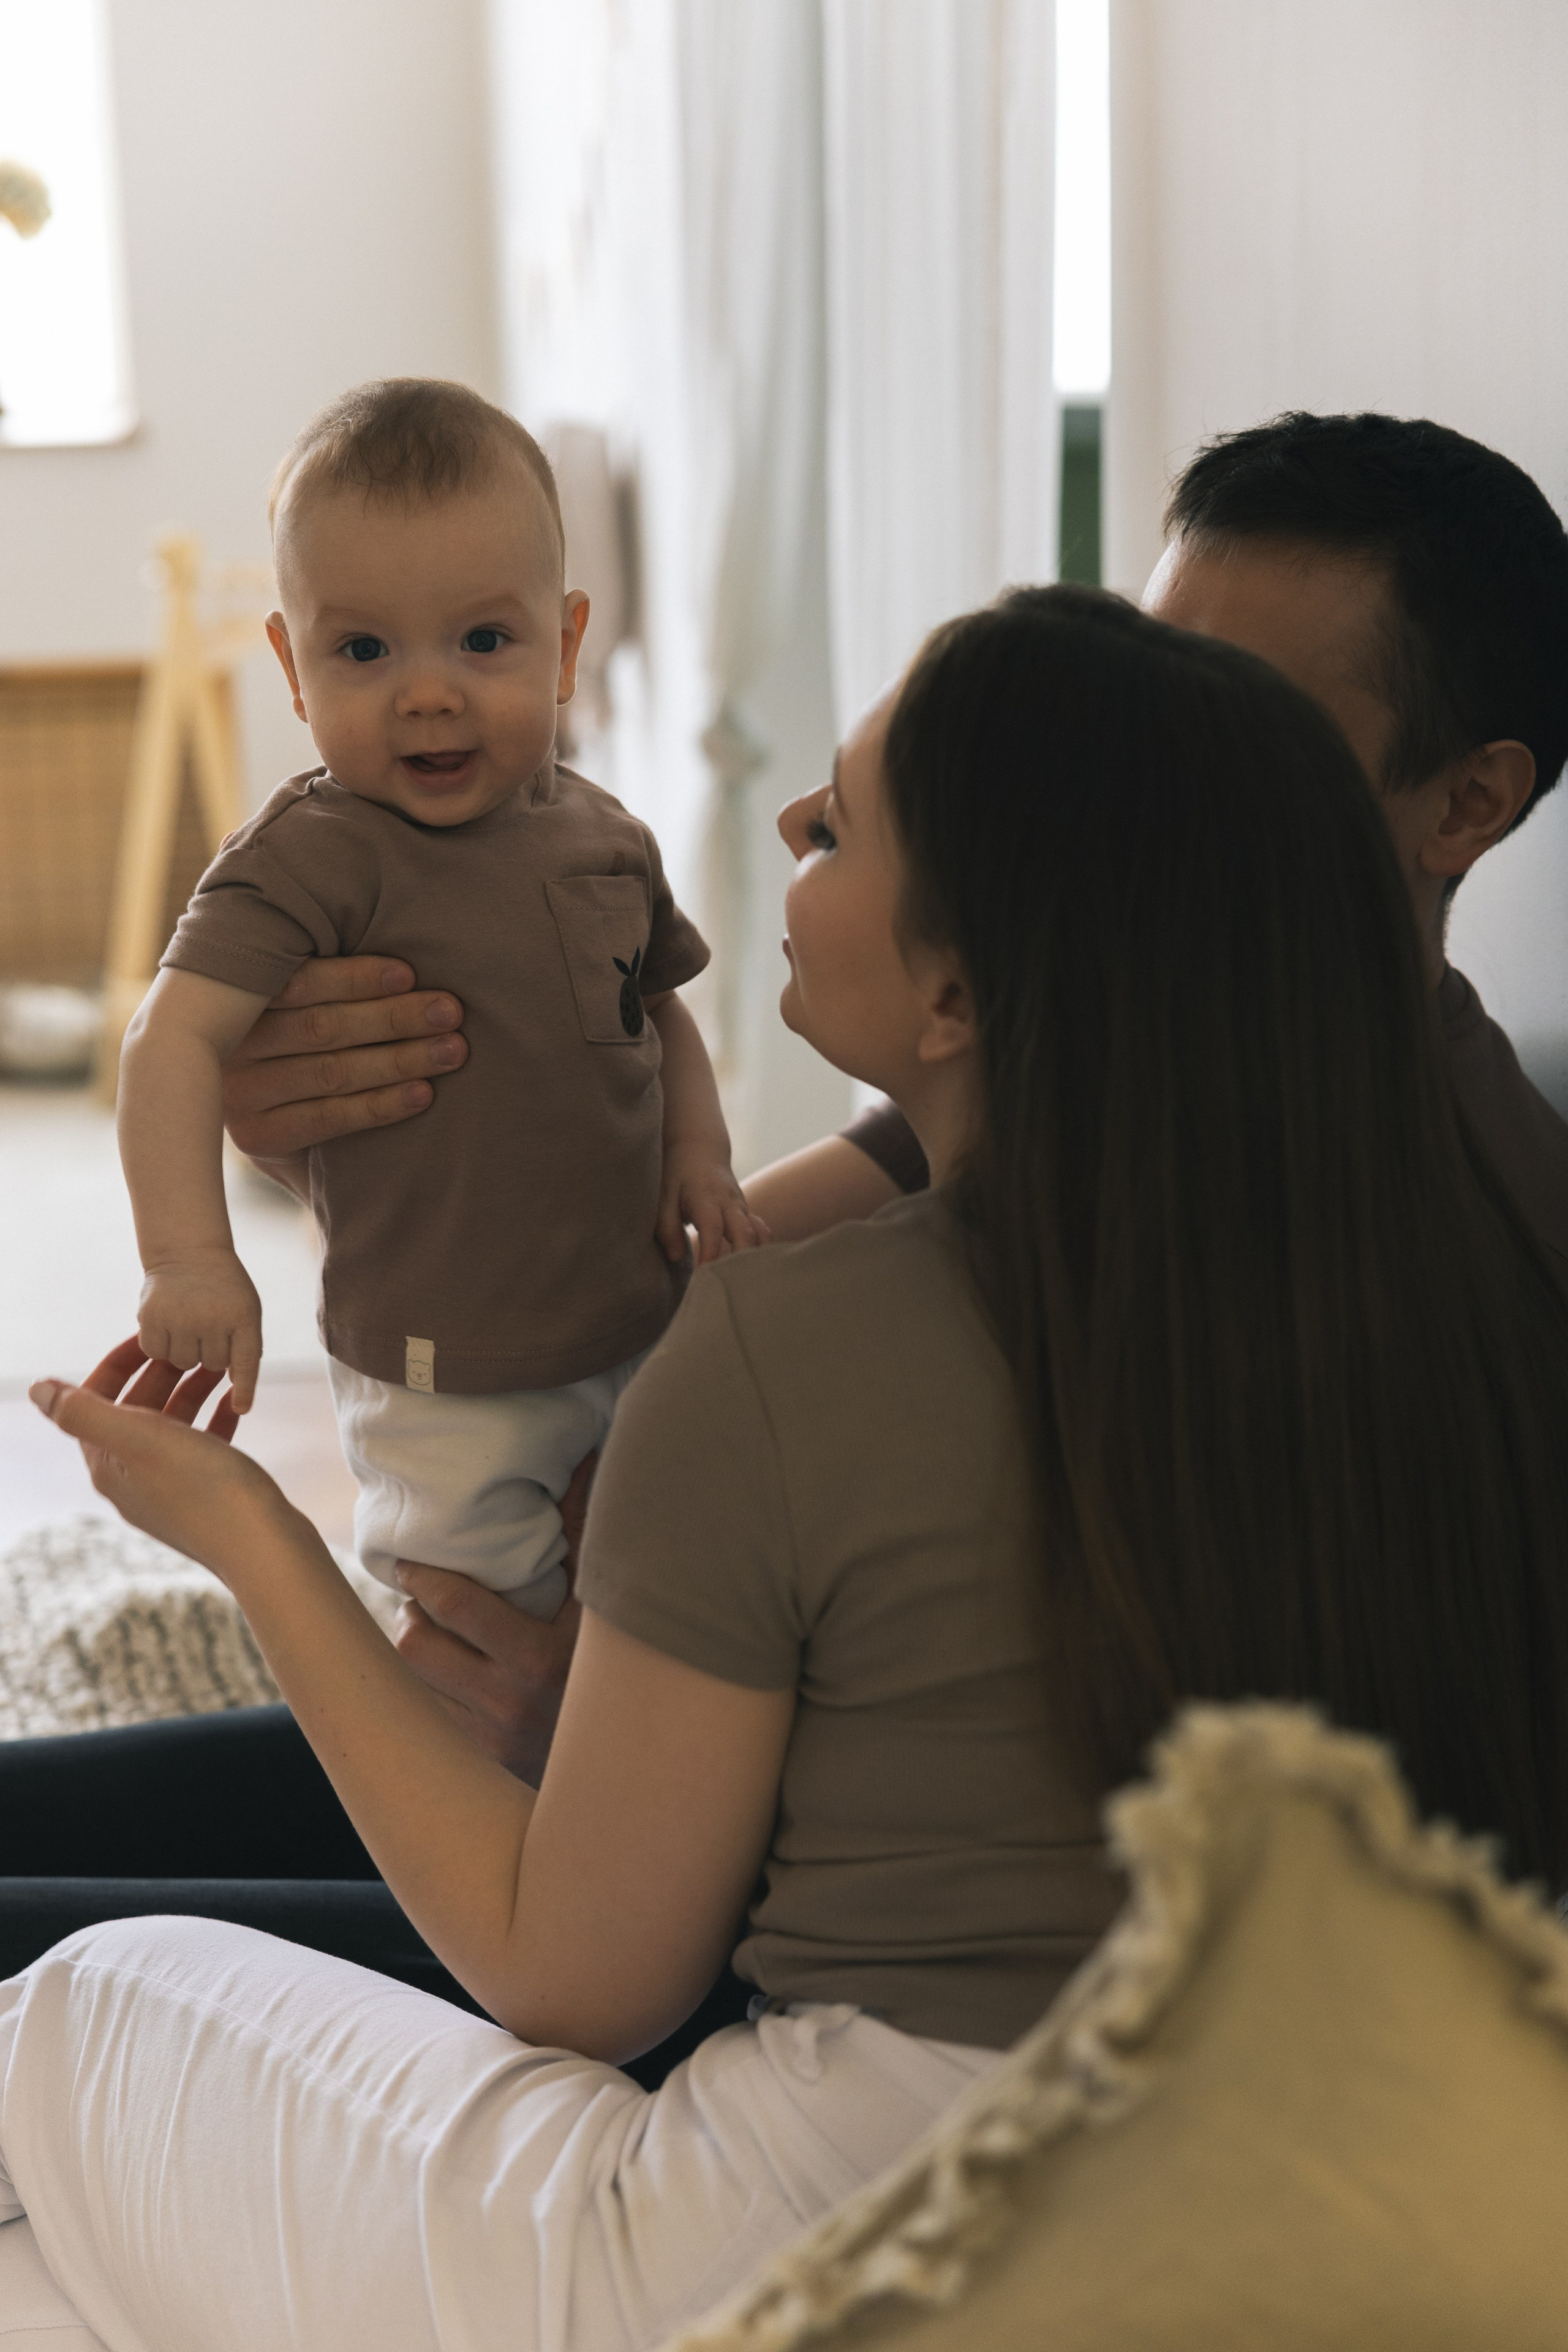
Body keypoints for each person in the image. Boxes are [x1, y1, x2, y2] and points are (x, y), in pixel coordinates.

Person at [4, 586, 1568, 2350]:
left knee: (84, 2001)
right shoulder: (1458, 1265)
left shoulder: (792, 1351)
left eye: (846, 820)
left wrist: (248, 1534)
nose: (790, 828)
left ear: (966, 988)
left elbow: (571, 1977)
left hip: (821, 2244)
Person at [118, 377, 759, 1618]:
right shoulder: (311, 856)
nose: (426, 692)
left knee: (649, 1581)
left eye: (482, 641)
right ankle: (464, 1782)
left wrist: (699, 1151)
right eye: (362, 650)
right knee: (469, 1611)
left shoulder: (606, 837)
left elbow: (657, 1008)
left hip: (634, 1314)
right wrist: (189, 1260)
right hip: (437, 1365)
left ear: (564, 645)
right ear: (292, 668)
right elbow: (172, 1040)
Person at [767, 412, 1568, 1270]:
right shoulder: (1132, 1021)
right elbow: (709, 1260)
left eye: (1235, 712)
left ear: (1467, 805)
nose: (1136, 753)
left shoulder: (1484, 1237)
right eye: (1139, 679)